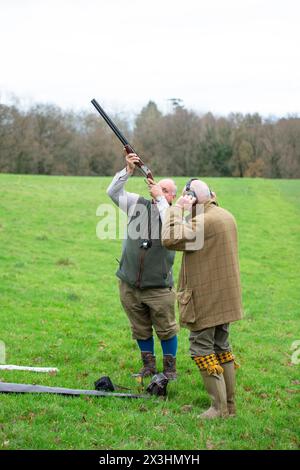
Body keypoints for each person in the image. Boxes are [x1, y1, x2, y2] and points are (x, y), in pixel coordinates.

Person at [161, 179, 243, 418]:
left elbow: (169, 238)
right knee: (222, 347)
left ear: (193, 198)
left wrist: (178, 209)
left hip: (206, 299)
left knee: (202, 349)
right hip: (225, 296)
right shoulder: (225, 215)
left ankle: (218, 408)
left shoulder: (203, 222)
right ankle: (230, 407)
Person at [106, 150, 179, 380]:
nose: (162, 191)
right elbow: (113, 192)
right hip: (130, 283)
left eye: (167, 191)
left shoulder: (176, 214)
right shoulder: (137, 204)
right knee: (139, 328)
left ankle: (170, 370)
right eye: (161, 188)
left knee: (166, 329)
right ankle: (148, 366)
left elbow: (172, 228)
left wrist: (159, 199)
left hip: (158, 286)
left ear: (172, 197)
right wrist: (128, 171)